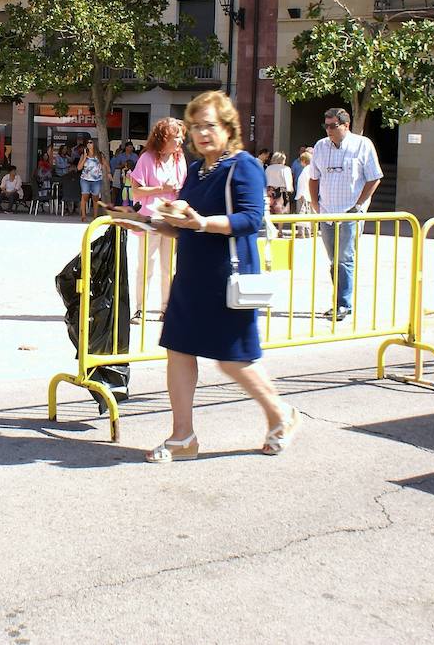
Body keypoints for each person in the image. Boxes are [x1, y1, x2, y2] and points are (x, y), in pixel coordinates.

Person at [131, 90, 297, 462]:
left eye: (210, 125)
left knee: (233, 358)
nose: (202, 133)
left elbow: (251, 219)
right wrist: (144, 220)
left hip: (228, 275)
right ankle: (182, 437)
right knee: (178, 351)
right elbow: (185, 227)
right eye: (195, 127)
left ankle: (280, 415)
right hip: (191, 276)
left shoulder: (244, 166)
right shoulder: (194, 170)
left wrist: (202, 222)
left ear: (227, 127)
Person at [307, 108, 382, 321]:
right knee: (334, 260)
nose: (328, 130)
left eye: (333, 126)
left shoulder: (362, 145)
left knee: (345, 259)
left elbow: (374, 177)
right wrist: (316, 205)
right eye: (326, 126)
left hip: (350, 212)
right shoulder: (321, 146)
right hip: (327, 213)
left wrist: (359, 205)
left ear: (345, 125)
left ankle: (343, 304)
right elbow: (314, 178)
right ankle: (338, 300)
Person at [127, 118, 187, 322]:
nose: (180, 141)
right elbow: (136, 190)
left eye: (181, 137)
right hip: (151, 217)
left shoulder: (180, 160)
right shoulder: (146, 158)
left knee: (168, 266)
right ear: (164, 138)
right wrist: (163, 189)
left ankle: (166, 309)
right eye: (176, 137)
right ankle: (140, 308)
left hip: (171, 219)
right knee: (146, 264)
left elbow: (183, 188)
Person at [78, 143, 106, 222]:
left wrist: (108, 173)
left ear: (94, 144)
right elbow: (79, 168)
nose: (89, 144)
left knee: (95, 198)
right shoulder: (84, 155)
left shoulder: (100, 155)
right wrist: (84, 158)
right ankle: (83, 216)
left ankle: (95, 216)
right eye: (88, 143)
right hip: (85, 179)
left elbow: (105, 164)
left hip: (96, 180)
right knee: (85, 196)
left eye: (91, 142)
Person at [264, 151, 294, 216]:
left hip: (269, 191)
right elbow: (288, 181)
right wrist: (290, 189)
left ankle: (270, 225)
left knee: (269, 210)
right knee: (280, 211)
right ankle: (280, 226)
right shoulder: (286, 168)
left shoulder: (268, 168)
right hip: (281, 191)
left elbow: (265, 180)